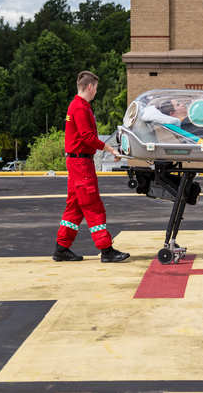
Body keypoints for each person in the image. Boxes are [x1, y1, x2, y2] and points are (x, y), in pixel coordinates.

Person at [53, 71, 130, 263]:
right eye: (96, 88)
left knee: (75, 206)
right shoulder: (80, 108)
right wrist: (110, 149)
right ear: (90, 87)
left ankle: (61, 248)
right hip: (81, 164)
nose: (96, 92)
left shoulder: (76, 106)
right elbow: (87, 137)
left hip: (76, 161)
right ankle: (106, 249)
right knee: (93, 205)